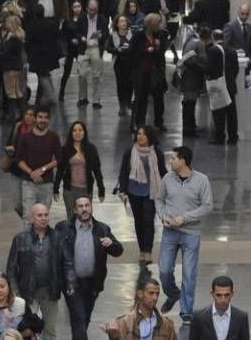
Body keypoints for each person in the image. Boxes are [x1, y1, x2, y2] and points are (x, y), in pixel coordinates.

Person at [56, 195, 124, 340]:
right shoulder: (63, 228)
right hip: (72, 282)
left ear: (91, 208)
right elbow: (55, 252)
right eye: (80, 206)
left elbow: (118, 251)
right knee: (78, 317)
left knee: (84, 319)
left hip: (93, 283)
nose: (84, 209)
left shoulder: (102, 228)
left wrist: (111, 244)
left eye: (87, 205)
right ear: (75, 210)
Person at [156, 146, 213, 324]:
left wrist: (185, 218)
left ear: (183, 161)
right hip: (169, 232)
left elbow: (207, 205)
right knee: (164, 270)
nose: (170, 161)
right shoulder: (167, 178)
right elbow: (159, 198)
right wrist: (163, 216)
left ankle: (186, 311)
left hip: (191, 234)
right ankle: (174, 294)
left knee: (189, 273)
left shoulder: (201, 180)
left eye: (173, 158)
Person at [6, 203, 62, 340]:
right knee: (26, 329)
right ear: (32, 218)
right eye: (39, 215)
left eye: (46, 215)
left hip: (50, 291)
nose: (43, 218)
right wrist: (15, 293)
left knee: (50, 329)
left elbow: (65, 262)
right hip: (27, 292)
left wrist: (67, 284)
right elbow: (11, 268)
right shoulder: (20, 239)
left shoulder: (57, 237)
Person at [113, 125, 166, 262]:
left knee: (148, 221)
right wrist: (123, 190)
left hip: (151, 192)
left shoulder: (157, 153)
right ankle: (141, 249)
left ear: (150, 137)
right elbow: (123, 172)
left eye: (144, 134)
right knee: (139, 221)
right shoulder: (130, 152)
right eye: (139, 134)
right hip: (134, 192)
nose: (140, 136)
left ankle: (147, 251)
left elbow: (162, 172)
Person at [14, 106, 61, 218]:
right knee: (28, 217)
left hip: (47, 183)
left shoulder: (53, 137)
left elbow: (59, 159)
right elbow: (19, 159)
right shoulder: (25, 137)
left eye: (45, 118)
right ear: (35, 118)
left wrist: (42, 169)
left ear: (49, 120)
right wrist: (31, 173)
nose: (42, 120)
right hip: (29, 183)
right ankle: (28, 236)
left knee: (43, 217)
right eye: (40, 117)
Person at [53, 121, 105, 220]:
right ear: (71, 133)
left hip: (86, 189)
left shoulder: (91, 149)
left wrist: (101, 189)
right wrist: (56, 188)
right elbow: (60, 170)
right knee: (71, 218)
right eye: (74, 130)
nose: (77, 133)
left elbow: (97, 170)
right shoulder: (65, 149)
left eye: (80, 130)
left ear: (84, 132)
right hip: (70, 190)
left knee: (85, 217)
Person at [132, 13, 169, 131]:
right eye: (158, 23)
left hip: (156, 70)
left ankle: (159, 121)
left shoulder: (159, 36)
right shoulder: (138, 36)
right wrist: (146, 50)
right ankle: (139, 122)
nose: (160, 25)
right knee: (141, 97)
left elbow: (161, 53)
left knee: (159, 97)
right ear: (151, 24)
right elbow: (133, 52)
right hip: (142, 71)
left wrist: (158, 48)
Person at [76, 0, 109, 108]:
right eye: (90, 10)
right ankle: (82, 98)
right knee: (82, 74)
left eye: (94, 10)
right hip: (84, 48)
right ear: (86, 9)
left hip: (96, 48)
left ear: (97, 9)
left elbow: (106, 34)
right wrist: (81, 38)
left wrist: (101, 36)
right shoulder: (81, 19)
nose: (92, 12)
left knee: (97, 75)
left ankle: (96, 100)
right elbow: (76, 32)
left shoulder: (102, 19)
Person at [108, 14, 136, 116]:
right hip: (118, 62)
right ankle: (122, 105)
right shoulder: (113, 35)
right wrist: (117, 50)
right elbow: (108, 48)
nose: (123, 23)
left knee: (130, 83)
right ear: (117, 24)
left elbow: (134, 47)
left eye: (124, 21)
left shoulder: (131, 35)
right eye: (121, 21)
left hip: (130, 62)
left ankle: (128, 101)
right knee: (120, 84)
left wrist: (128, 49)